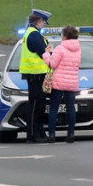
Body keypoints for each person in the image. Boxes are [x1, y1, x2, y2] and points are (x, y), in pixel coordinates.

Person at [43, 24, 81, 143]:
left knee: (54, 109)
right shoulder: (78, 49)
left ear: (65, 36)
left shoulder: (60, 48)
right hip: (72, 83)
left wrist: (46, 54)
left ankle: (52, 135)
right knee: (70, 108)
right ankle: (71, 134)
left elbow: (52, 64)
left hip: (58, 83)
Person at [19, 9, 52, 143]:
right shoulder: (34, 35)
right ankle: (33, 134)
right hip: (36, 74)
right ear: (38, 21)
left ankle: (38, 133)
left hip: (33, 74)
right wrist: (49, 49)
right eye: (43, 22)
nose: (44, 24)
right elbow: (43, 53)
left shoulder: (30, 33)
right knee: (36, 106)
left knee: (37, 105)